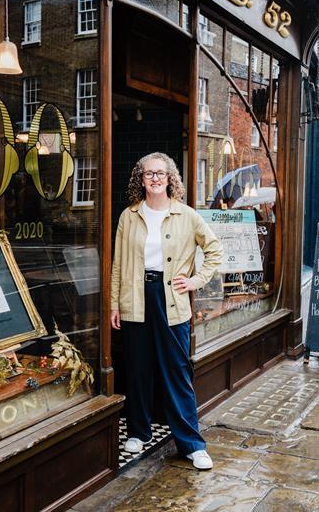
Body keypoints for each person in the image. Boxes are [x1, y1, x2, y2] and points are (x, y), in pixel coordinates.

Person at [111, 152, 223, 470]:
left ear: (170, 177)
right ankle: (138, 431)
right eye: (149, 174)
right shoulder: (128, 216)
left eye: (161, 173)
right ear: (140, 179)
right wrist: (114, 305)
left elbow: (214, 249)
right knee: (138, 368)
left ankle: (192, 444)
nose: (155, 178)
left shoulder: (187, 216)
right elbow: (118, 264)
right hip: (136, 296)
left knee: (177, 370)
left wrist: (196, 280)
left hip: (171, 297)